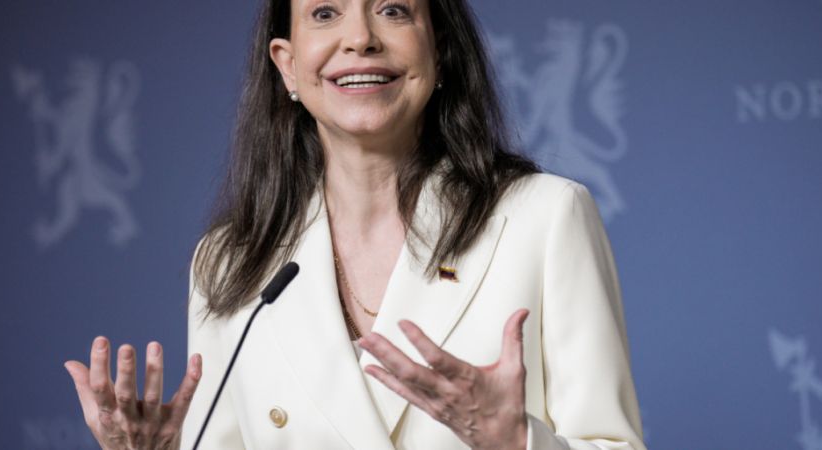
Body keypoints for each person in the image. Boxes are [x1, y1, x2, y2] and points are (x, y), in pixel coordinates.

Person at [64, 0, 646, 448]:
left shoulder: (544, 217)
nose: (361, 38)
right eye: (324, 13)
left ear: (438, 50)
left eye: (393, 10)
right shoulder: (230, 262)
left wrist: (519, 443)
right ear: (287, 67)